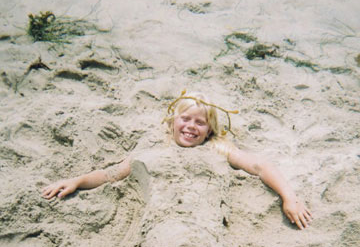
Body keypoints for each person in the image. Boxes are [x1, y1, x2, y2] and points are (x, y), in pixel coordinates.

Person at [42, 90, 312, 229]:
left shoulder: (218, 149)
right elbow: (111, 174)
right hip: (160, 222)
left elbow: (259, 165)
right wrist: (77, 180)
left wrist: (289, 196)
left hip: (203, 222)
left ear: (210, 130)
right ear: (173, 121)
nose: (191, 127)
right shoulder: (150, 148)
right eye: (185, 119)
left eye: (200, 122)